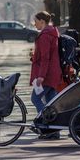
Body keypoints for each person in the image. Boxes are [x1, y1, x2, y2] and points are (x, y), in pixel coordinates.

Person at [30, 11, 62, 139]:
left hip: (47, 75)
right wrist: (34, 56)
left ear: (42, 22)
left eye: (36, 21)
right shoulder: (52, 33)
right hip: (54, 72)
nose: (34, 24)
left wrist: (41, 76)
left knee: (35, 99)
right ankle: (54, 131)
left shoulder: (44, 36)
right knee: (50, 103)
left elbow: (45, 58)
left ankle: (46, 126)